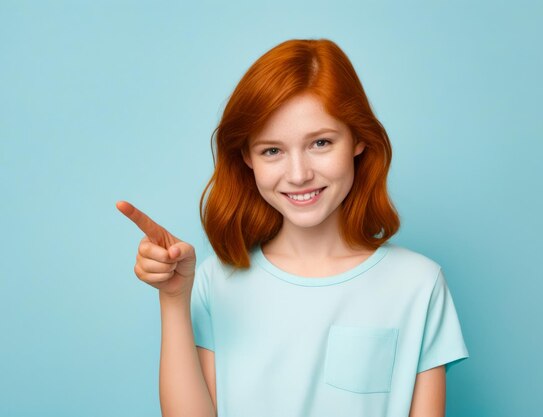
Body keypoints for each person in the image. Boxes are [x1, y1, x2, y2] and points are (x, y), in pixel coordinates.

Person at [117, 38, 469, 417]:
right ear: (247, 159)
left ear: (359, 139)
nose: (299, 174)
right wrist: (172, 299)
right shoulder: (216, 281)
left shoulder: (418, 284)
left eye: (320, 142)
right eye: (272, 150)